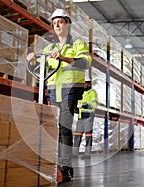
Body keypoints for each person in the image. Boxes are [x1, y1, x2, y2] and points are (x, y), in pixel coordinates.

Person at [27, 8, 92, 183]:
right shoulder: (50, 48)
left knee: (64, 125)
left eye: (60, 22)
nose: (56, 25)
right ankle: (54, 161)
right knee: (54, 127)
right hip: (54, 89)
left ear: (67, 23)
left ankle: (65, 166)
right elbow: (41, 69)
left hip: (71, 88)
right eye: (54, 23)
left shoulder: (77, 44)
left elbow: (85, 63)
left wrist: (64, 58)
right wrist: (33, 60)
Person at [73, 77, 98, 159]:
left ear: (89, 84)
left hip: (88, 117)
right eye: (83, 83)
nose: (85, 85)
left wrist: (83, 105)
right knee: (77, 135)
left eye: (86, 83)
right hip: (81, 117)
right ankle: (74, 154)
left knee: (88, 136)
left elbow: (93, 105)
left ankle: (87, 154)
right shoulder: (81, 93)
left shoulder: (92, 93)